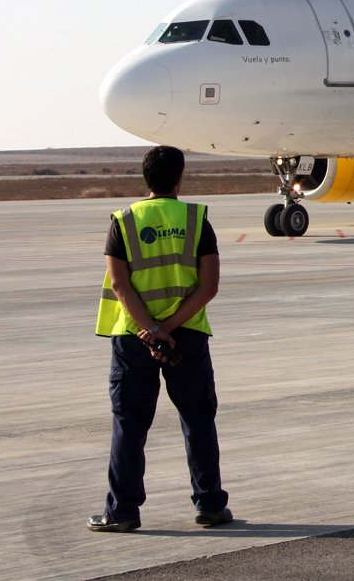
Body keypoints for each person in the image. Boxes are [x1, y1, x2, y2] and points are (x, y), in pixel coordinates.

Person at [89, 145, 232, 532]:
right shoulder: (196, 219)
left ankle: (122, 512)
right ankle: (210, 505)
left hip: (133, 338)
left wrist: (150, 330)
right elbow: (209, 285)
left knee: (130, 425)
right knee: (198, 419)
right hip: (186, 335)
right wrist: (168, 329)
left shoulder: (124, 220)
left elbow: (120, 285)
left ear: (145, 178)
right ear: (180, 177)